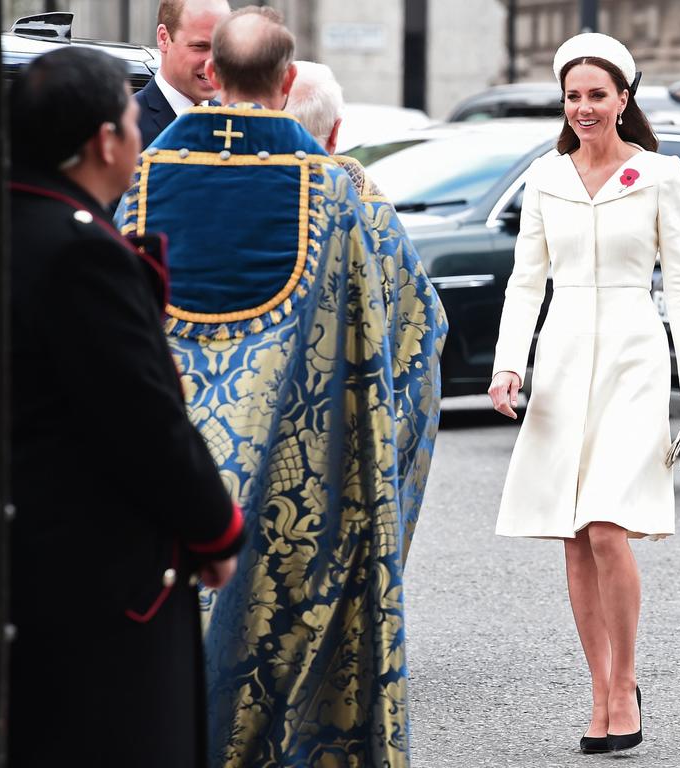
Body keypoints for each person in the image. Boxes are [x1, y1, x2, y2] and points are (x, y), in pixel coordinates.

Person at [117, 8, 446, 766]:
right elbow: (415, 331)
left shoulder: (139, 183)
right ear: (288, 80)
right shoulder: (341, 194)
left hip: (172, 485)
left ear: (212, 74)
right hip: (302, 490)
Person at [8, 47, 244, 768]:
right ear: (105, 141)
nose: (140, 138)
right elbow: (142, 415)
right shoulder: (83, 249)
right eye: (130, 122)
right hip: (96, 568)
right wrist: (215, 531)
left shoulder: (1, 218)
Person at [487, 33, 680, 754]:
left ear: (624, 99)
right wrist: (509, 365)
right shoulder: (545, 177)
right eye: (573, 96)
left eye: (597, 95)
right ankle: (598, 689)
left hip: (633, 359)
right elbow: (527, 282)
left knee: (608, 526)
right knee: (572, 532)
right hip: (559, 362)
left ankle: (626, 683)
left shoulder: (660, 174)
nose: (583, 108)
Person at [285, 59, 446, 562]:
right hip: (358, 443)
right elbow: (422, 332)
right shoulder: (370, 210)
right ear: (335, 133)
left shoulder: (236, 200)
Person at [135, 0, 231, 147]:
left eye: (222, 46)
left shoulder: (236, 124)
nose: (214, 61)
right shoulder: (125, 124)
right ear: (164, 38)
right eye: (200, 46)